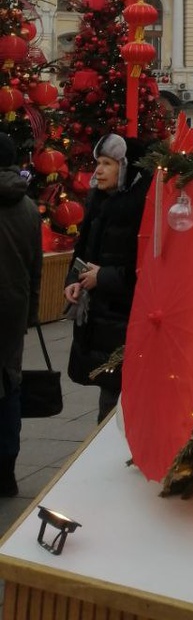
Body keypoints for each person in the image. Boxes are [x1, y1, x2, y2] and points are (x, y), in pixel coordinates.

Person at [63, 134, 151, 422]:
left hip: (126, 318)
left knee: (119, 398)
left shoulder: (142, 207)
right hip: (100, 316)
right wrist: (74, 280)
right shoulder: (99, 200)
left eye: (107, 163)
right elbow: (83, 249)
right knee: (109, 390)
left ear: (126, 168)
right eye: (97, 162)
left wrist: (106, 277)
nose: (98, 170)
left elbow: (147, 269)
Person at [0, 132, 43, 497]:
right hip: (12, 310)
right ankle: (6, 471)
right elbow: (36, 266)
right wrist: (30, 311)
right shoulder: (28, 207)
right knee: (9, 386)